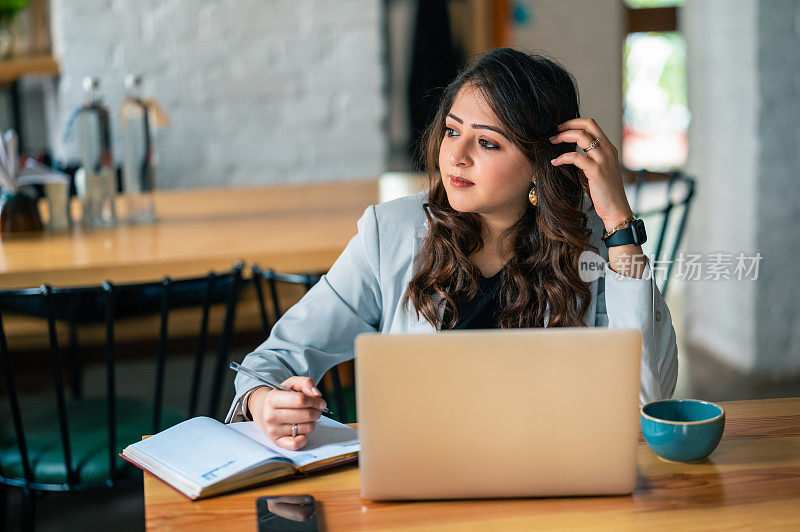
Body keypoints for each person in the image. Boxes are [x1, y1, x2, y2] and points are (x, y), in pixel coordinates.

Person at [225, 48, 679, 451]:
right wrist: (265, 402)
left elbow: (649, 399)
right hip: (423, 473)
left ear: (543, 163)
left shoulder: (594, 246)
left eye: (487, 142)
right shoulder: (390, 233)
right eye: (451, 131)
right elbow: (272, 361)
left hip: (547, 476)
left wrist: (619, 221)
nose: (456, 156)